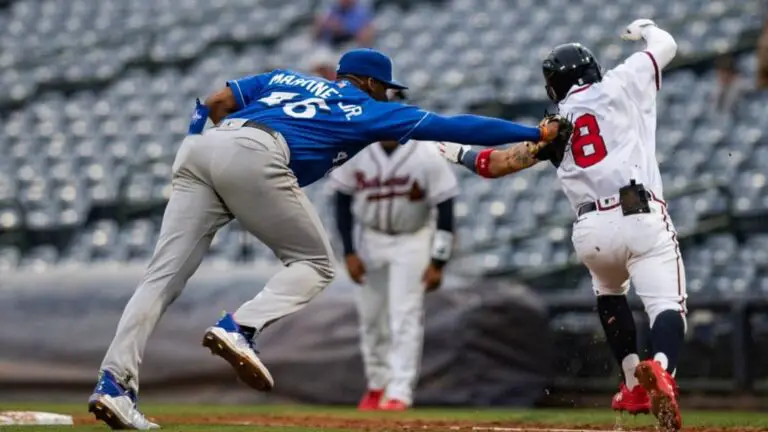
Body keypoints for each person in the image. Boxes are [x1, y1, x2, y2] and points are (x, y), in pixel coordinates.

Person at [87, 47, 566, 430]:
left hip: (202, 150)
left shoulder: (282, 77)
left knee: (160, 280)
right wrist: (532, 130)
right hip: (259, 155)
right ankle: (241, 328)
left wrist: (196, 149)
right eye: (384, 88)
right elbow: (454, 125)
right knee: (315, 266)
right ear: (374, 85)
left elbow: (212, 103)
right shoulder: (367, 110)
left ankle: (114, 384)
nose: (385, 95)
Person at [437, 20, 685, 432]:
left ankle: (631, 385)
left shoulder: (556, 125)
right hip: (640, 213)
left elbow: (497, 164)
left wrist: (459, 153)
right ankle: (661, 370)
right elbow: (668, 45)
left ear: (556, 84)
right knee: (667, 307)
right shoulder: (624, 80)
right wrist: (645, 29)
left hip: (590, 230)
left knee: (609, 291)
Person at [331, 137, 458, 411]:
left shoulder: (425, 153)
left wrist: (439, 260)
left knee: (405, 316)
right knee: (371, 318)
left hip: (412, 239)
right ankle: (377, 385)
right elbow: (341, 200)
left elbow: (446, 205)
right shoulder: (358, 148)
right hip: (369, 237)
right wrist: (349, 251)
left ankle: (399, 392)